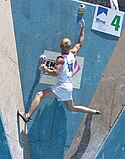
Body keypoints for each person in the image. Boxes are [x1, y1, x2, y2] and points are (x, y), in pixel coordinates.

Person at [18, 20, 100, 123]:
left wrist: (45, 69)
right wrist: (82, 28)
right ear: (69, 47)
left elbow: (55, 73)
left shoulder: (60, 59)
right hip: (68, 87)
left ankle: (27, 116)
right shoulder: (73, 53)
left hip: (62, 86)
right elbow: (80, 42)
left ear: (61, 47)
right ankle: (92, 111)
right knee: (72, 108)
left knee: (40, 95)